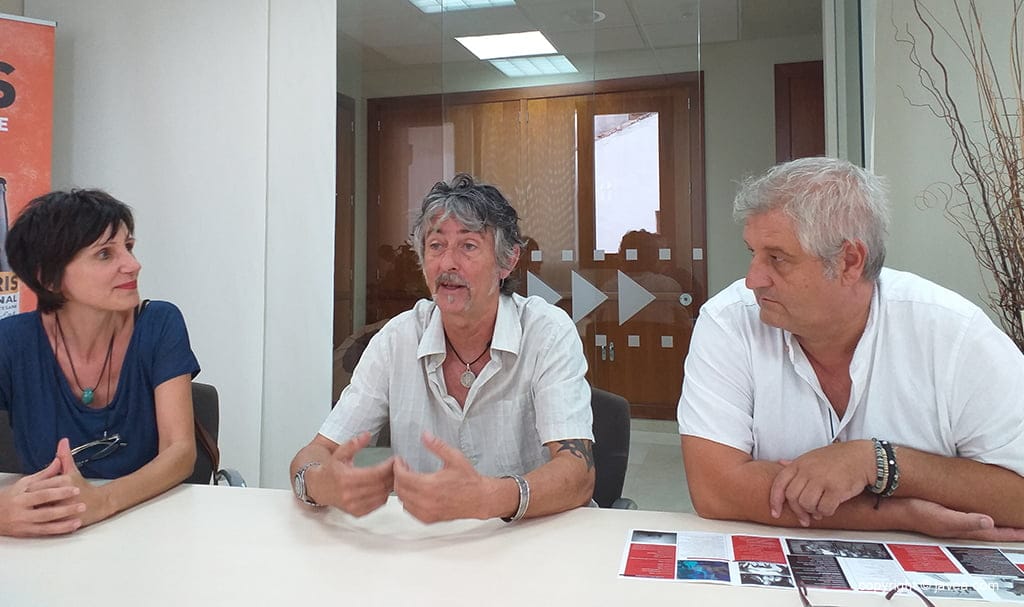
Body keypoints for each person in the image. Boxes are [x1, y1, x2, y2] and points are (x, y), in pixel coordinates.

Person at [678, 157, 1024, 541]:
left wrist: (878, 462)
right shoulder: (729, 323)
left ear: (849, 261)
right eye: (752, 253)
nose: (753, 279)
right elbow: (715, 491)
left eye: (777, 258)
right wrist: (903, 513)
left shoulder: (953, 334)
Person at [291, 174, 594, 523]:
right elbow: (315, 451)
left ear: (507, 261)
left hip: (532, 538)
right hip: (430, 547)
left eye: (468, 246)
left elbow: (578, 474)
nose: (448, 264)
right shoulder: (397, 339)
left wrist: (490, 498)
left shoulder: (547, 333)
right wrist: (318, 484)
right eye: (436, 246)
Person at [0, 189, 200, 537]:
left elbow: (180, 450)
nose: (133, 264)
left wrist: (100, 502)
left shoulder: (159, 323)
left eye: (129, 247)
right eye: (105, 254)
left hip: (147, 521)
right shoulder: (11, 341)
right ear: (49, 277)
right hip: (48, 532)